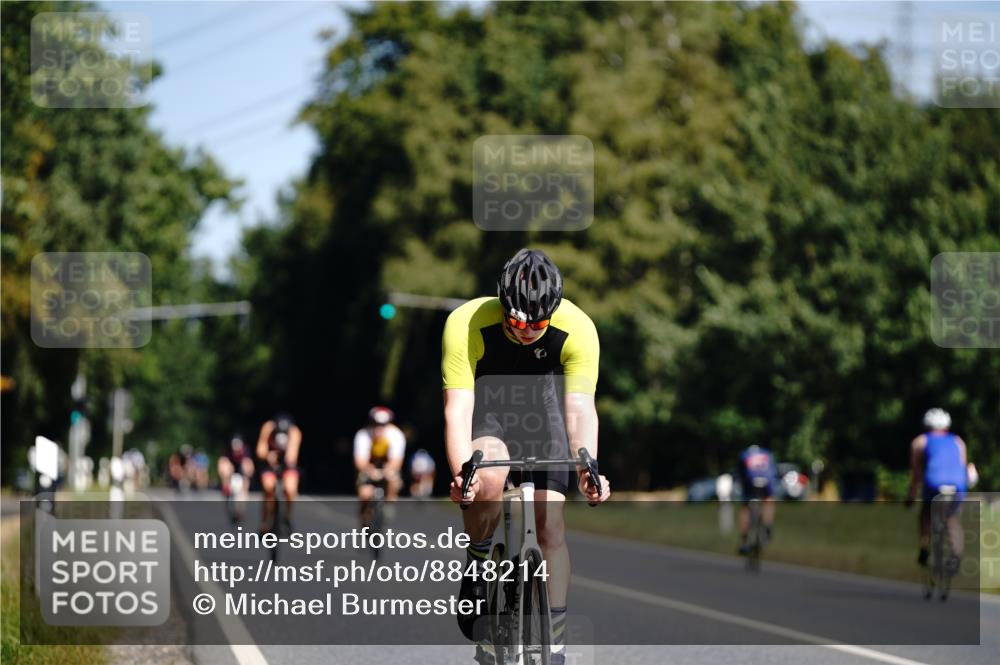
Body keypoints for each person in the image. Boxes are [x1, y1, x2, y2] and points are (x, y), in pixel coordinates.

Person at [442, 248, 610, 665]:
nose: (527, 330)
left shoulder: (579, 328)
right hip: (491, 414)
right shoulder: (465, 323)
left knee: (551, 524)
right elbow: (458, 409)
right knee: (488, 480)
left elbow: (579, 409)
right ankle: (479, 560)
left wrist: (588, 463)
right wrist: (465, 476)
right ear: (502, 304)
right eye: (516, 321)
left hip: (548, 416)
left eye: (538, 322)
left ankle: (554, 641)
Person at [905, 408, 973, 571]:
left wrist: (911, 495)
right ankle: (956, 555)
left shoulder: (920, 442)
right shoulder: (958, 441)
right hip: (958, 484)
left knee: (925, 513)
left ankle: (924, 547)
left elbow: (915, 474)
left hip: (933, 483)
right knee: (952, 518)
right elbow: (963, 466)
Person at [354, 406, 406, 524]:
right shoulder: (363, 435)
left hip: (386, 467)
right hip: (369, 467)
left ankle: (389, 505)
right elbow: (360, 461)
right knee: (365, 493)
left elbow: (396, 461)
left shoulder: (396, 435)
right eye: (375, 424)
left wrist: (388, 470)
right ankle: (364, 516)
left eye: (383, 424)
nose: (379, 428)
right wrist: (369, 470)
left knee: (393, 479)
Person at [256, 412, 302, 532]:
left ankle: (287, 516)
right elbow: (260, 450)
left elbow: (292, 457)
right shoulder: (268, 428)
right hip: (269, 464)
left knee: (290, 489)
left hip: (287, 465)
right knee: (268, 487)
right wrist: (268, 455)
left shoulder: (294, 432)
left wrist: (284, 459)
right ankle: (265, 521)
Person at [737, 444, 778, 556]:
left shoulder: (744, 454)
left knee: (745, 506)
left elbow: (740, 473)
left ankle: (744, 540)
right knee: (768, 500)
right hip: (766, 481)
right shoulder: (767, 454)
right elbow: (773, 471)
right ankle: (768, 525)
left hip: (750, 481)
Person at [218, 434, 255, 522]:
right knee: (225, 466)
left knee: (246, 469)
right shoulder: (227, 451)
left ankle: (241, 508)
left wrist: (247, 479)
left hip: (241, 470)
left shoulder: (246, 451)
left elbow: (249, 465)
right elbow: (222, 462)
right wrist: (224, 476)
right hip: (231, 469)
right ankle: (226, 489)